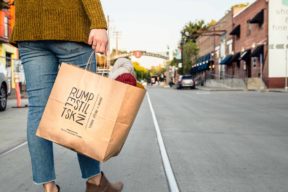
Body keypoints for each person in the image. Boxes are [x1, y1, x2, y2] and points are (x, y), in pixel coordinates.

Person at [10, 1, 123, 192]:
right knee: (84, 107)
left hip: (29, 28)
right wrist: (99, 23)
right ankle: (96, 183)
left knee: (38, 109)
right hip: (69, 26)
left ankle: (49, 188)